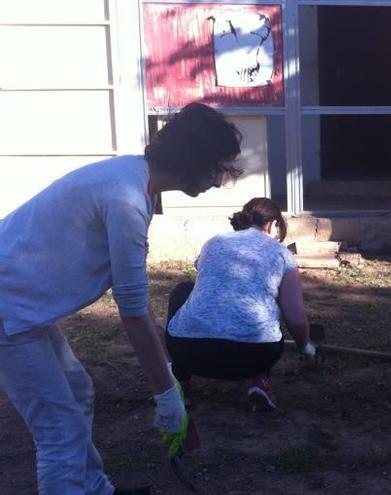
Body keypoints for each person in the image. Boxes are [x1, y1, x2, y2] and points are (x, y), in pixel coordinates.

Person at [0, 102, 242, 494]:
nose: (218, 180)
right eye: (217, 167)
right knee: (58, 433)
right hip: (8, 305)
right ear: (193, 160)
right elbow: (131, 311)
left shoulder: (132, 177)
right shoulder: (126, 198)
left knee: (77, 392)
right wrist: (165, 394)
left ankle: (95, 490)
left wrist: (168, 380)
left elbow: (134, 294)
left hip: (19, 303)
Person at [165, 198, 315, 412]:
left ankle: (181, 383)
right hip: (253, 356)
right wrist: (305, 347)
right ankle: (259, 380)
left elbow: (203, 271)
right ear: (273, 225)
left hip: (188, 351)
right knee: (266, 304)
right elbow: (296, 318)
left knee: (183, 290)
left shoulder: (214, 242)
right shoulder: (281, 254)